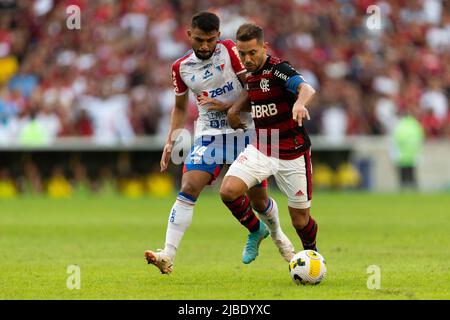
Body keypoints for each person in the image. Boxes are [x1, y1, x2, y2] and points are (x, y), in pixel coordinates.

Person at [144, 12, 294, 274]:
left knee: (258, 201)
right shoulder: (180, 68)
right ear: (189, 35)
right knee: (189, 185)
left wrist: (230, 108)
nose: (205, 46)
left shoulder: (230, 51)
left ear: (218, 36)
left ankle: (277, 234)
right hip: (210, 135)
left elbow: (255, 87)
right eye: (200, 40)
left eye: (210, 40)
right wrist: (171, 139)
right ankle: (167, 254)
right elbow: (180, 108)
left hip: (247, 131)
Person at [218, 23, 320, 255]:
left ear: (264, 47)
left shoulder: (278, 68)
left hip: (292, 149)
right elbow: (253, 90)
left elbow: (306, 88)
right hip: (263, 146)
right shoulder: (251, 73)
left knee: (300, 221)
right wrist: (234, 110)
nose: (247, 59)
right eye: (242, 54)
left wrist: (300, 103)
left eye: (252, 53)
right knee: (228, 191)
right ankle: (257, 230)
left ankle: (311, 255)